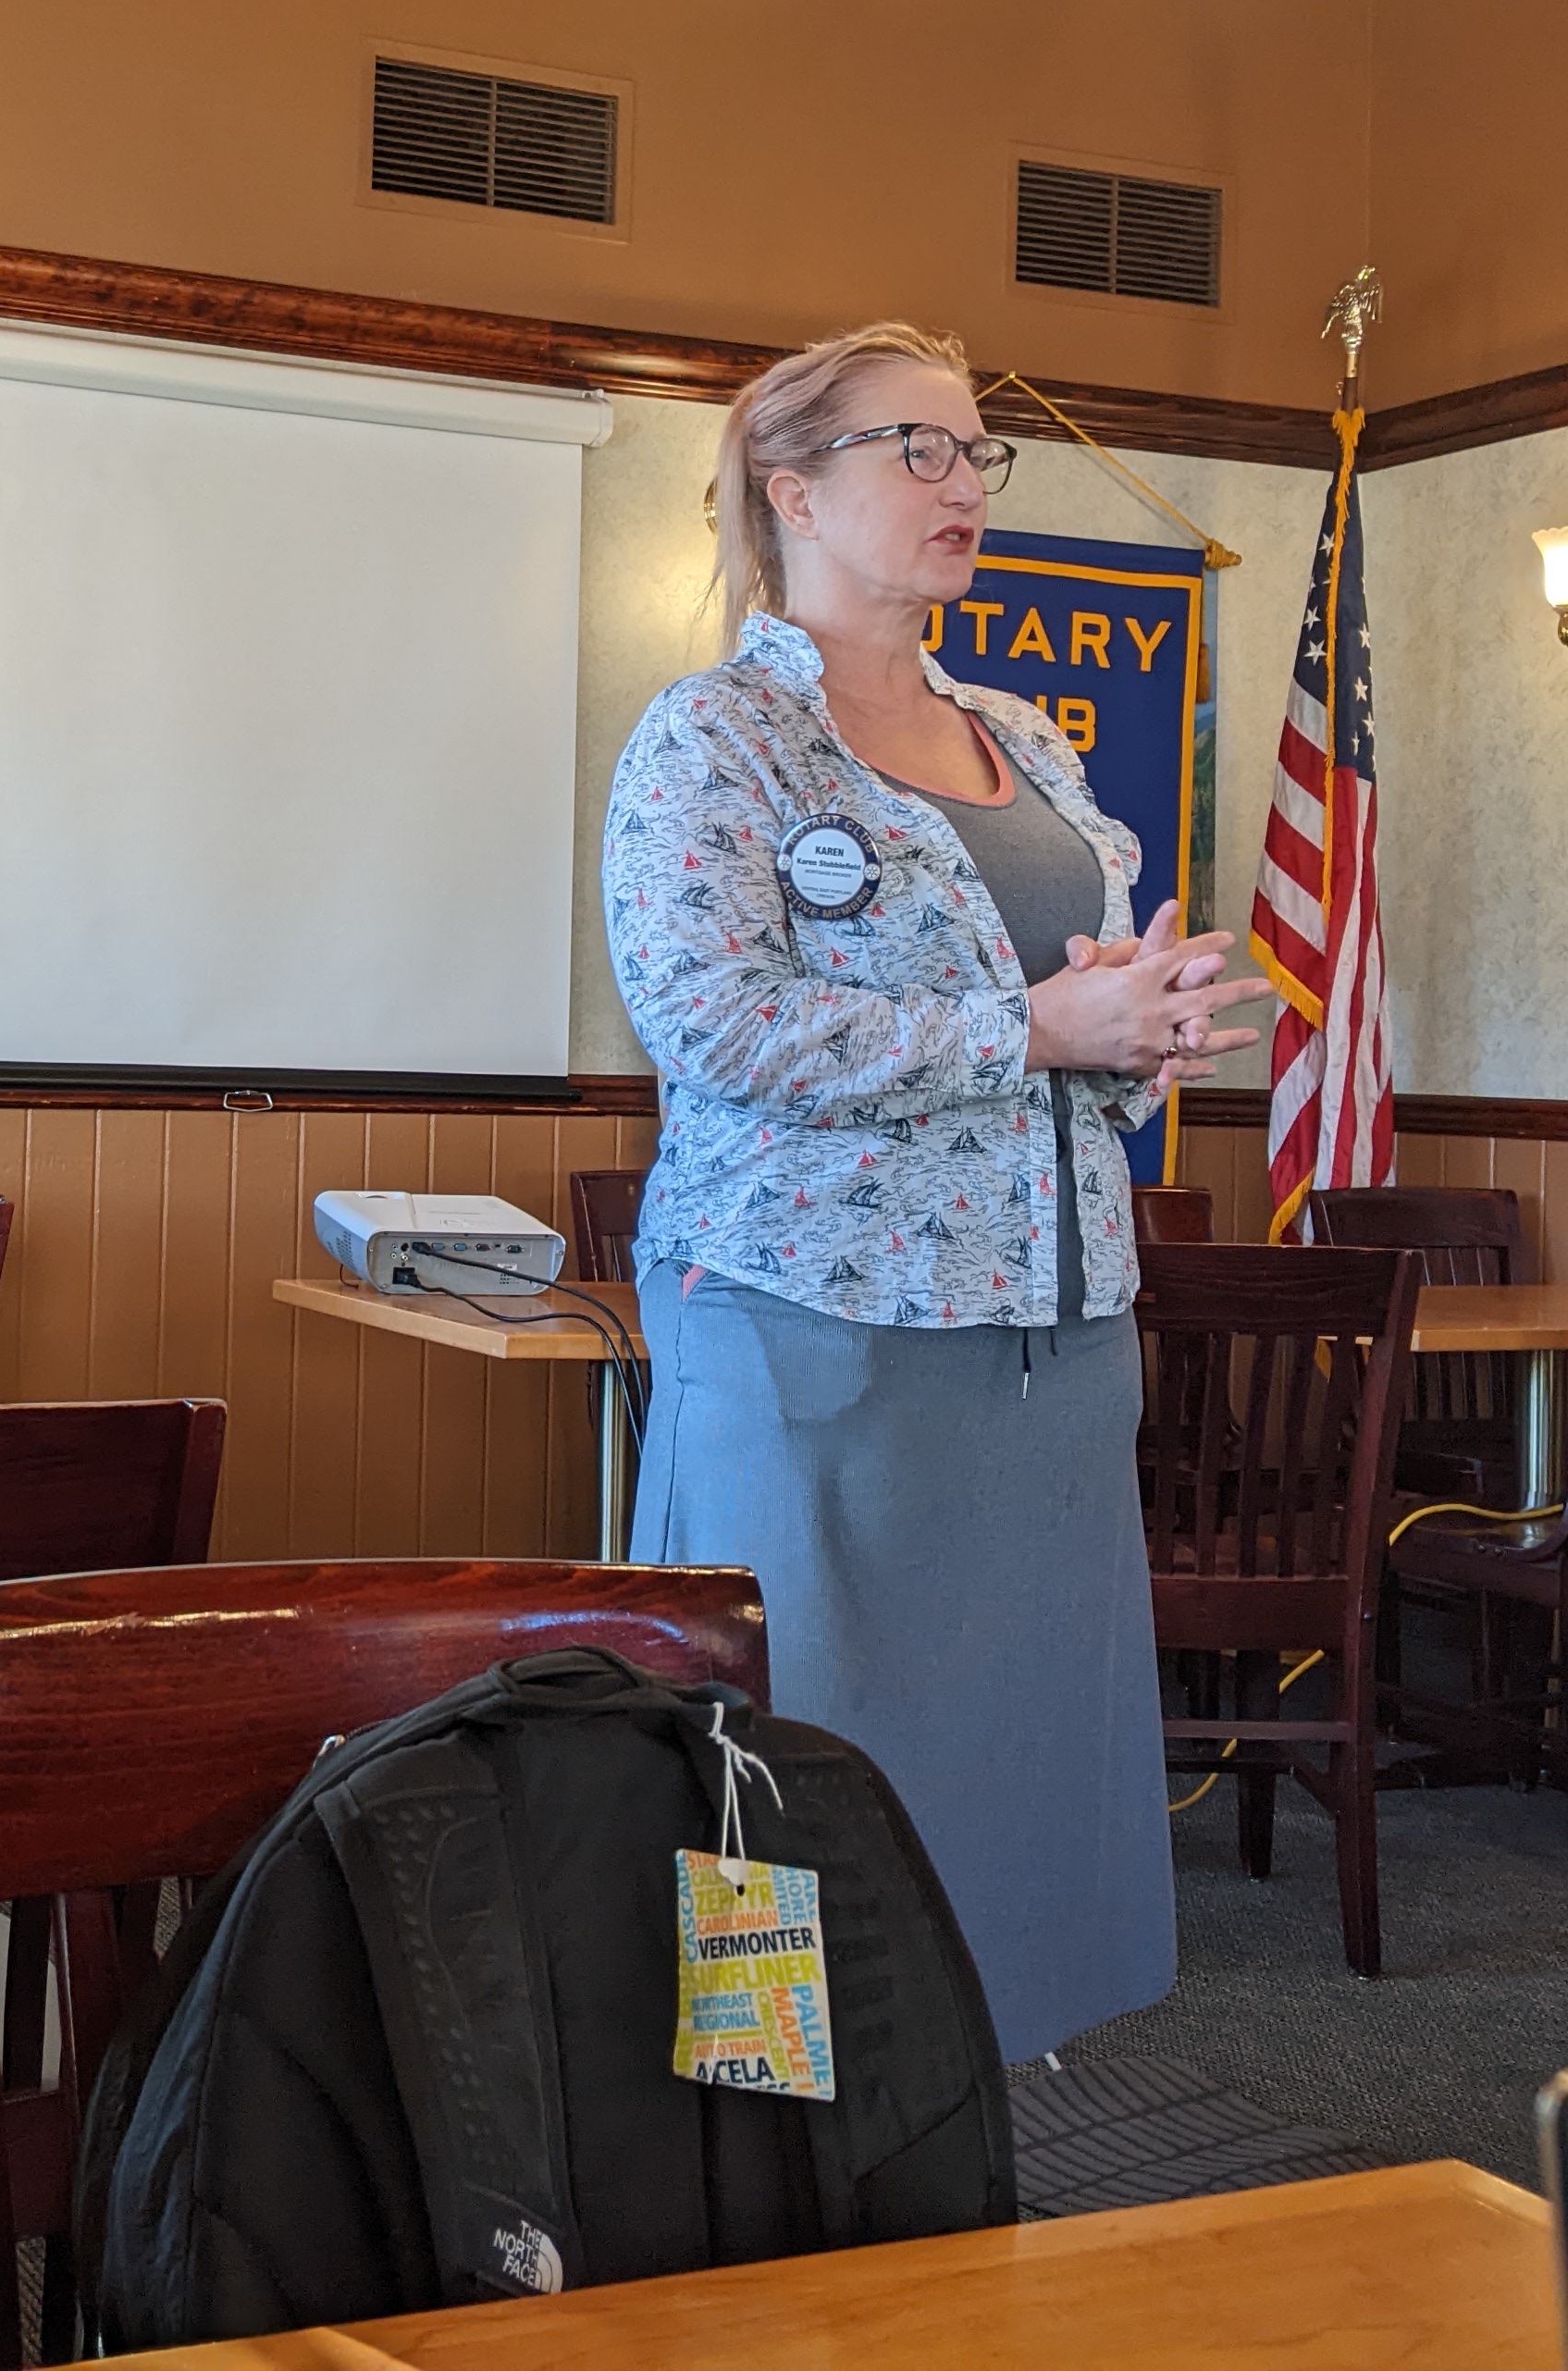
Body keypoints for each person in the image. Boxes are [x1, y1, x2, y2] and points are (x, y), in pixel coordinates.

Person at [601, 319, 1266, 2063]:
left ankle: (979, 2082)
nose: (965, 483)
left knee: (1024, 1746)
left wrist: (1133, 1029)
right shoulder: (717, 736)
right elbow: (711, 1019)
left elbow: (1058, 1033)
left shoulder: (1023, 737)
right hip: (814, 1325)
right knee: (793, 1747)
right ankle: (755, 2095)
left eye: (979, 453)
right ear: (792, 488)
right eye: (920, 448)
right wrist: (1031, 1026)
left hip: (1052, 1333)